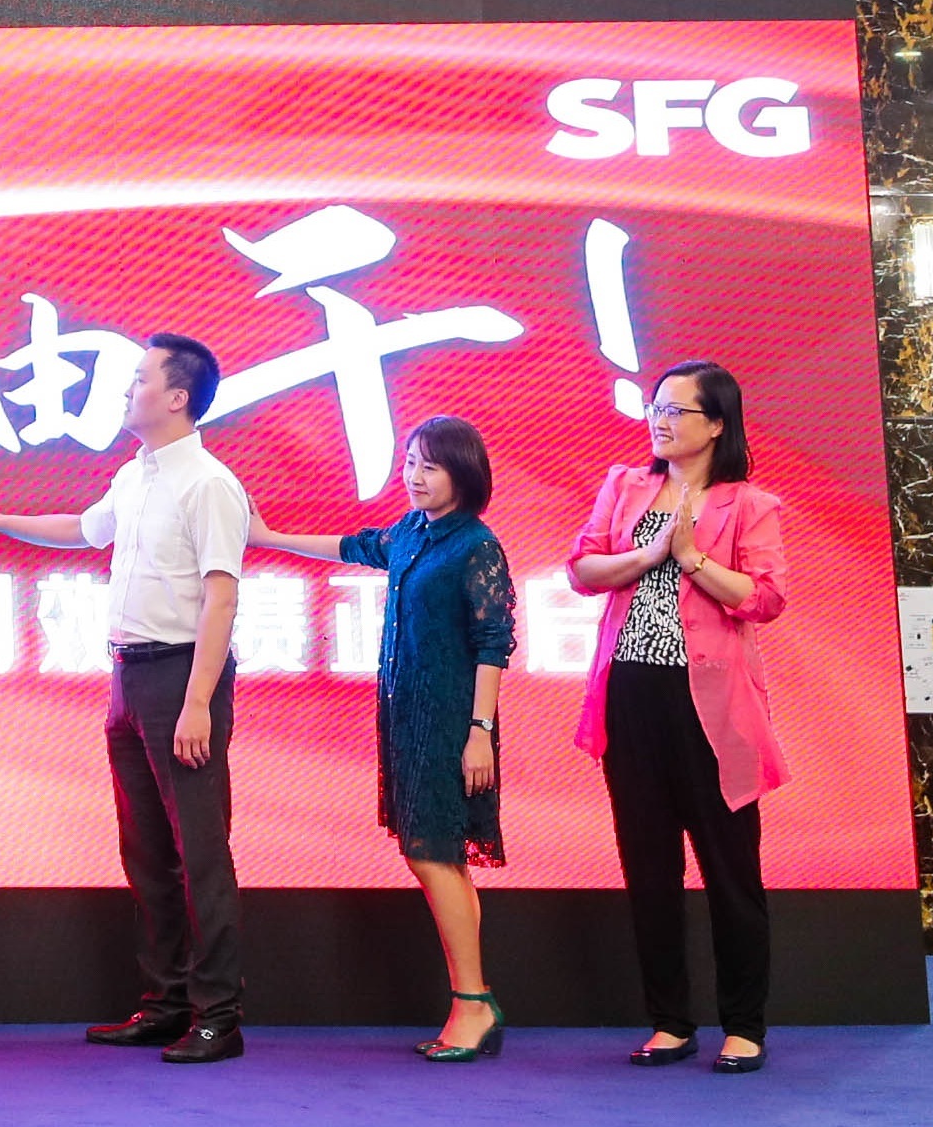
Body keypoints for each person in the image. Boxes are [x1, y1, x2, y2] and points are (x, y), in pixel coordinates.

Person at [0, 331, 248, 1064]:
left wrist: (198, 701)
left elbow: (222, 598)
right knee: (147, 853)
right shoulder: (136, 474)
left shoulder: (209, 483)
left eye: (139, 379)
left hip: (182, 677)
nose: (126, 390)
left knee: (200, 853)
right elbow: (84, 531)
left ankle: (219, 1016)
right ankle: (165, 1003)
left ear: (177, 397)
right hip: (128, 676)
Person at [246, 416, 516, 1061]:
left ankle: (473, 1002)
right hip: (406, 716)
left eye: (430, 466)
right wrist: (267, 536)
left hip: (450, 722)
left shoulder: (476, 545)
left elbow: (493, 644)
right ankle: (476, 1002)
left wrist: (479, 732)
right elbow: (352, 545)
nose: (414, 476)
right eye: (410, 462)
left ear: (463, 473)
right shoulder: (410, 532)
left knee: (431, 853)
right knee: (439, 855)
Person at [568, 360, 788, 1075]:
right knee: (649, 866)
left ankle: (744, 1026)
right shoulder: (625, 486)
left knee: (730, 870)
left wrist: (690, 558)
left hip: (713, 709)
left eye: (676, 411)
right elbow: (582, 569)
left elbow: (765, 599)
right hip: (631, 696)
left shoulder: (748, 503)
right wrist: (648, 553)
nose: (659, 422)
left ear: (717, 423)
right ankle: (669, 1021)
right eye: (655, 408)